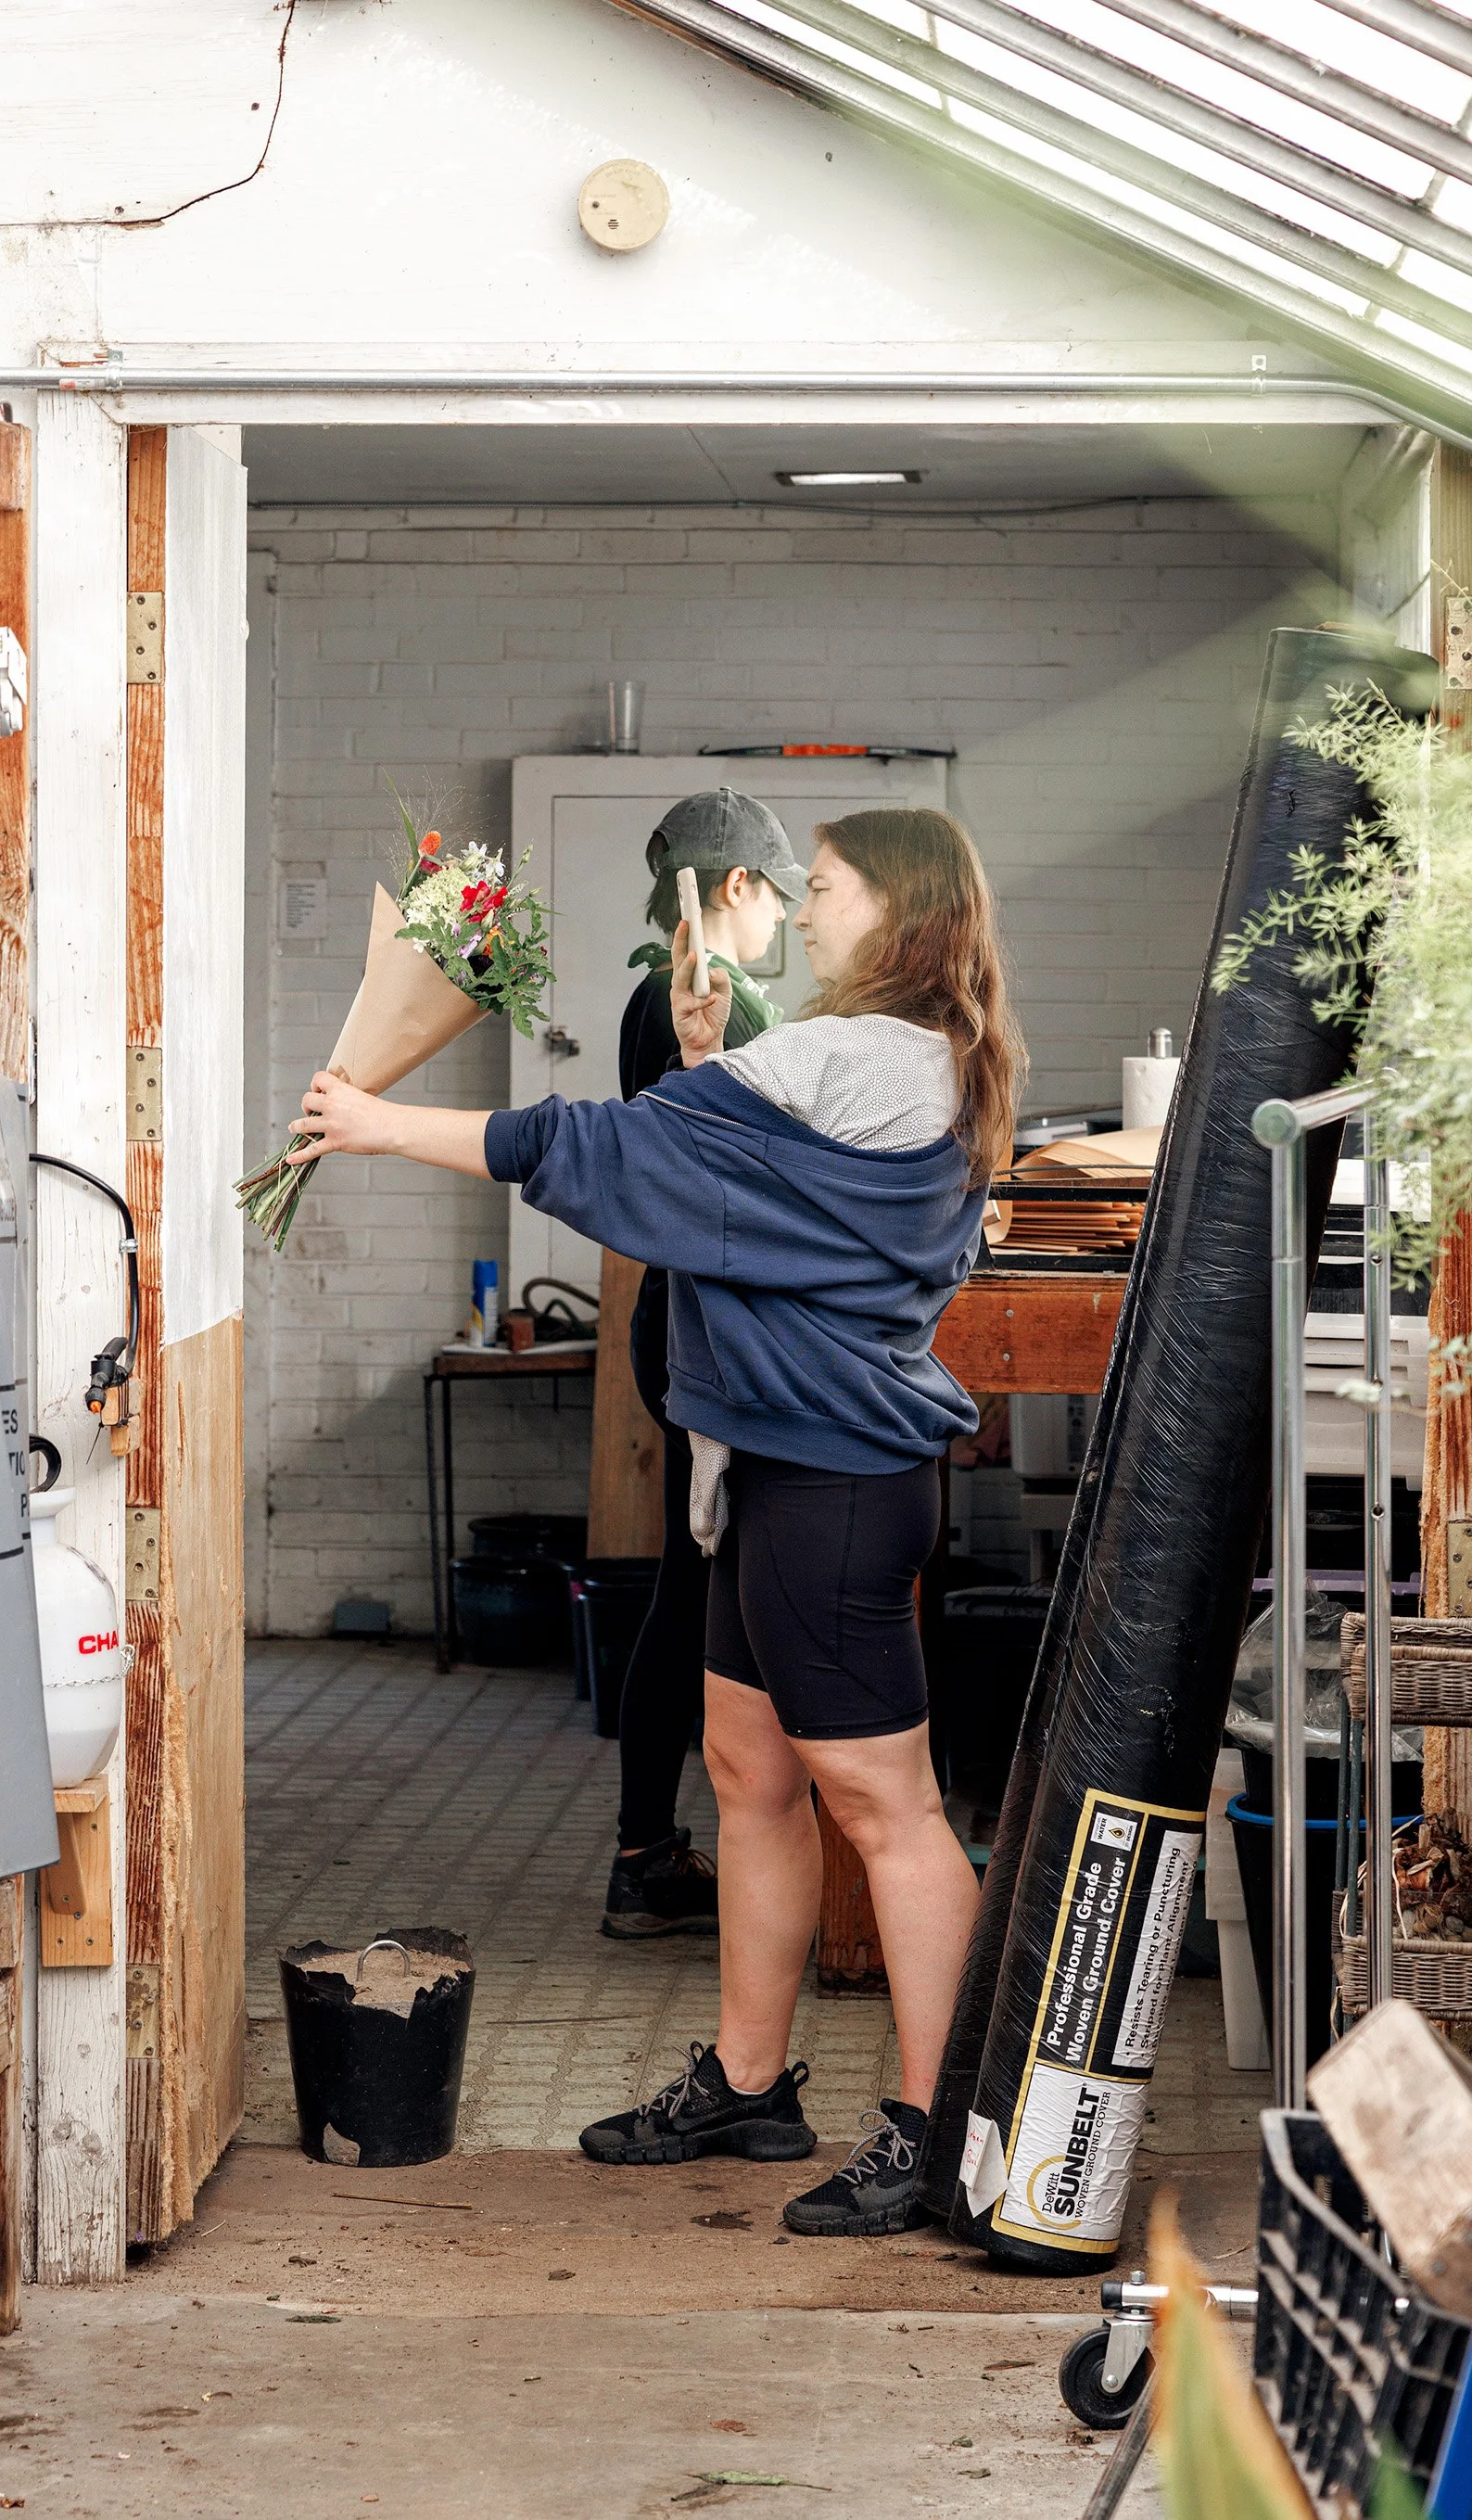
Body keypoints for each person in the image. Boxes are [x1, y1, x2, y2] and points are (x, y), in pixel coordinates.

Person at [292, 808, 1023, 2238]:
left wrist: (378, 1122)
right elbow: (759, 1193)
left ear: (902, 914)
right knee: (749, 1769)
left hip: (832, 1480)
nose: (806, 913)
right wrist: (705, 1061)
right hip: (774, 1467)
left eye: (826, 891)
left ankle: (936, 2128)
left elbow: (615, 1153)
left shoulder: (849, 1053)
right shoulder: (899, 1057)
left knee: (889, 1806)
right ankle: (752, 2082)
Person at [604, 789, 806, 1941]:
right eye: (779, 892)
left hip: (688, 1323)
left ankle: (652, 1852)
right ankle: (655, 1855)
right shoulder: (693, 998)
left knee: (692, 1596)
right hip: (707, 1332)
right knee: (697, 1602)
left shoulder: (675, 990)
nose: (783, 915)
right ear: (738, 886)